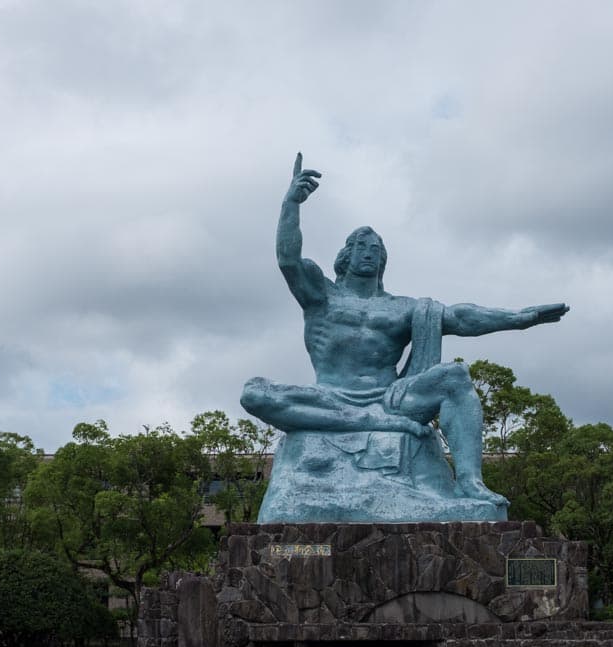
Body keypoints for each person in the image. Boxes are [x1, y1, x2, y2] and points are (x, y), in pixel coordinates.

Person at [241, 154, 568, 507]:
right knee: (255, 394)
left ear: (384, 261)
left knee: (455, 377)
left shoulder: (403, 308)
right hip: (330, 396)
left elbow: (461, 318)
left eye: (377, 249)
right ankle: (363, 421)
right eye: (362, 248)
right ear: (346, 256)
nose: (370, 253)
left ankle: (470, 483)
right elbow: (288, 260)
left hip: (391, 400)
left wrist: (519, 318)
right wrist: (291, 203)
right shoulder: (322, 295)